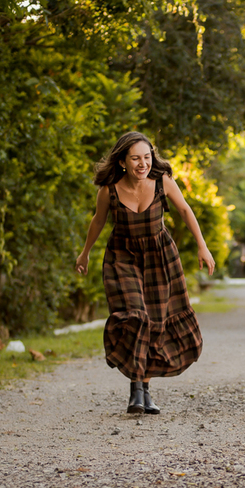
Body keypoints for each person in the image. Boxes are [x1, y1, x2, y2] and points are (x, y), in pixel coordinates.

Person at [76, 132, 216, 414]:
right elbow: (98, 221)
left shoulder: (162, 182)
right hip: (122, 257)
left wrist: (203, 246)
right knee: (135, 316)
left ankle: (142, 391)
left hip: (160, 258)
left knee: (155, 323)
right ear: (123, 162)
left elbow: (186, 211)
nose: (143, 164)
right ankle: (137, 390)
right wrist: (85, 251)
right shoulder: (109, 190)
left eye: (147, 157)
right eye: (136, 158)